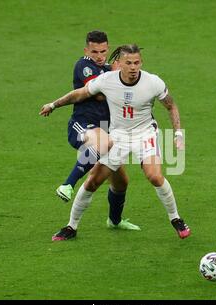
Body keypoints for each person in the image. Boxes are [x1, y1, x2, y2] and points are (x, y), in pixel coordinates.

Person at [40, 44, 191, 239]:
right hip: (117, 136)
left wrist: (178, 134)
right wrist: (54, 104)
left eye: (137, 62)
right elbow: (80, 93)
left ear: (141, 62)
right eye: (128, 63)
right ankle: (71, 226)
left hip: (145, 134)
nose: (133, 67)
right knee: (93, 181)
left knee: (154, 176)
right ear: (119, 63)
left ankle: (176, 219)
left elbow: (171, 106)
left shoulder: (153, 82)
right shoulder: (106, 80)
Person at [42, 31, 140, 239]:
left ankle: (114, 221)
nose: (99, 56)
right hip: (83, 125)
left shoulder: (108, 69)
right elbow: (98, 94)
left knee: (120, 181)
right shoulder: (84, 65)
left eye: (103, 51)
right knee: (103, 146)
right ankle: (68, 185)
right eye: (94, 51)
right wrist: (115, 76)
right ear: (86, 50)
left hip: (106, 132)